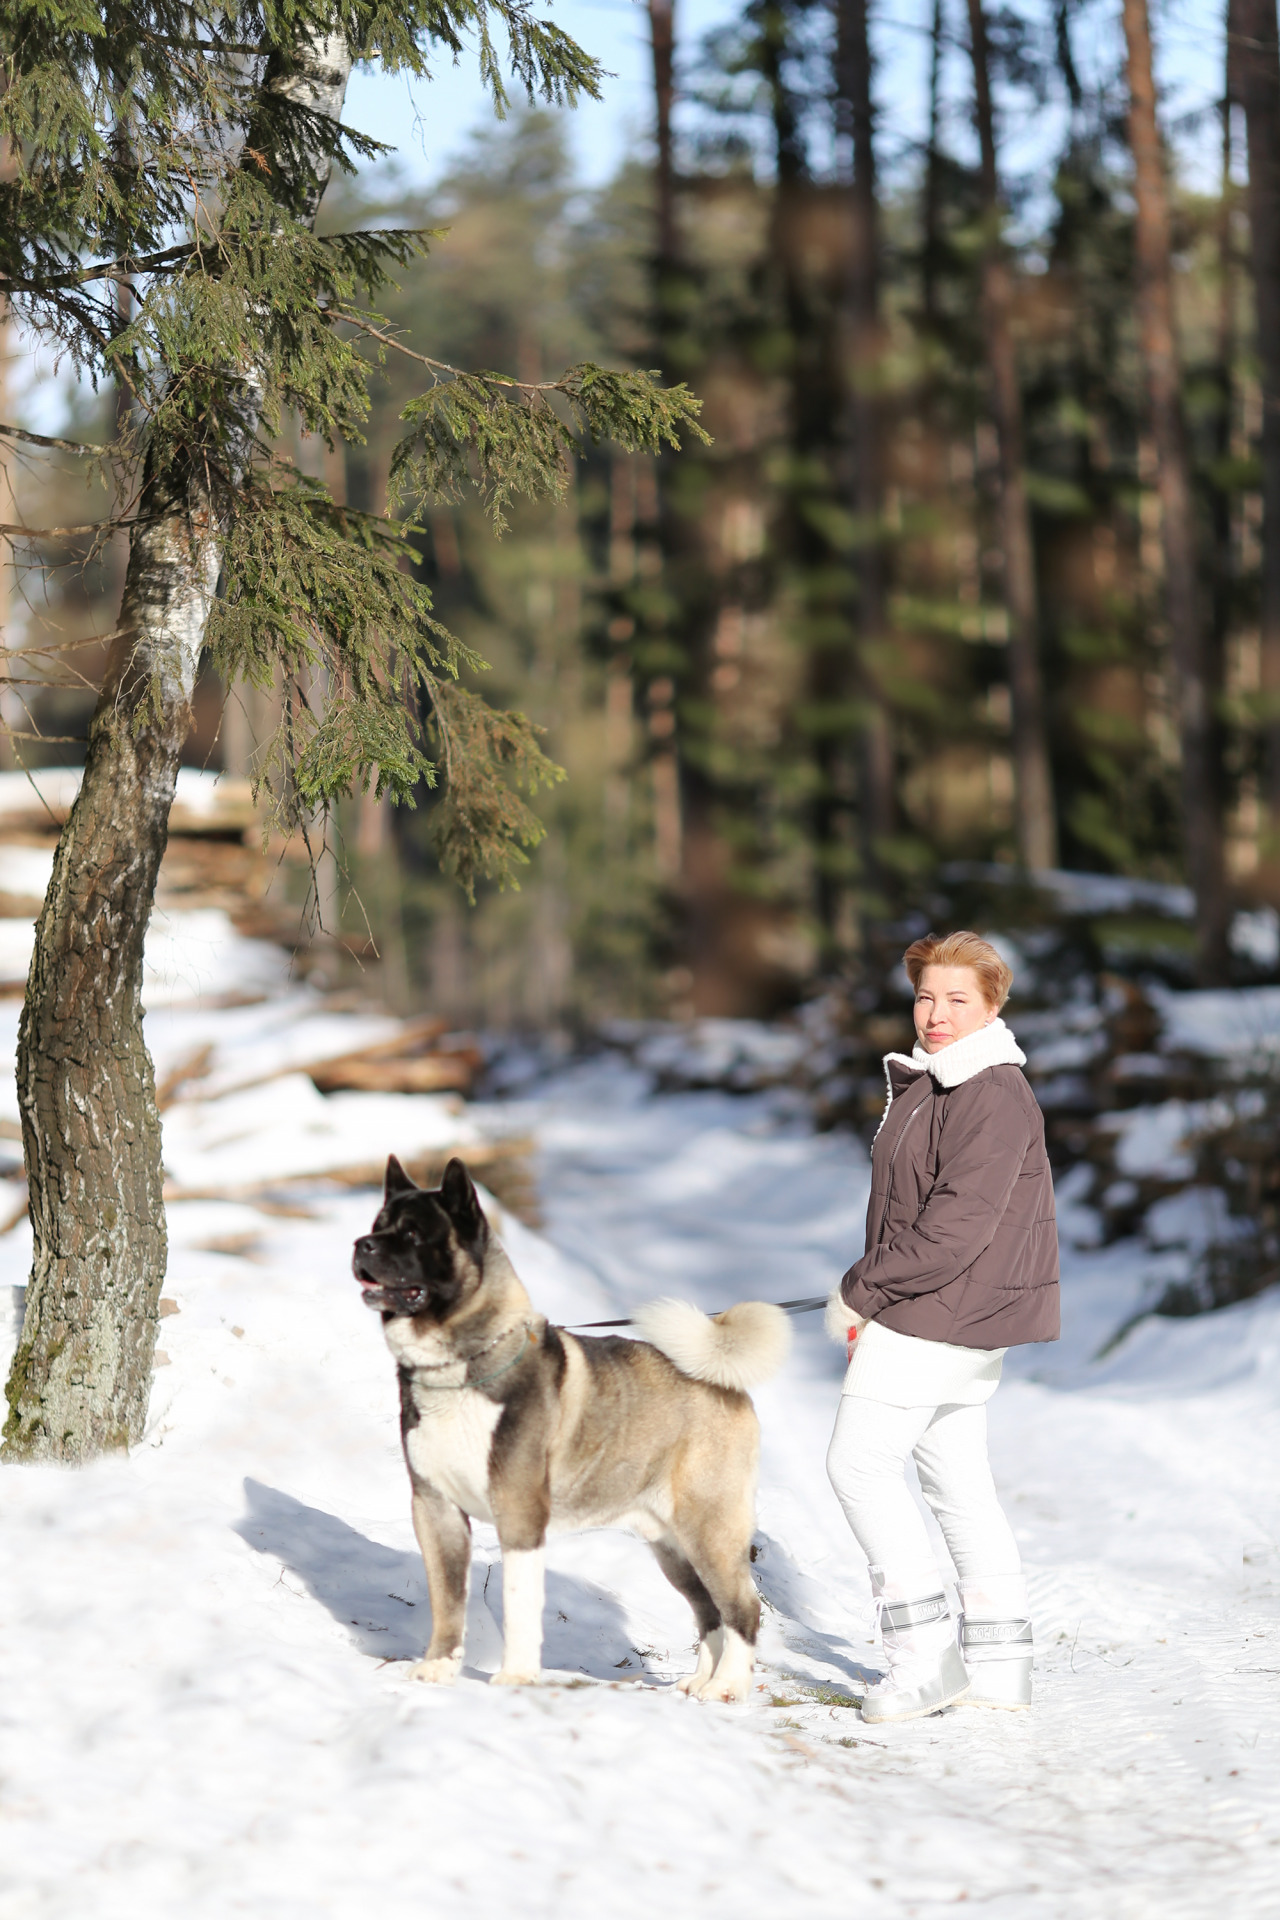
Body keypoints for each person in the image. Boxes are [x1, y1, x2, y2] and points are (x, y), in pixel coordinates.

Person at [825, 930, 1059, 1724]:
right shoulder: (940, 1083)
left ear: (993, 1005)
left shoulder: (988, 1090)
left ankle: (924, 1662)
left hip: (939, 1310)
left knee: (857, 1468)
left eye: (958, 999)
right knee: (956, 1481)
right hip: (952, 1309)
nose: (936, 1013)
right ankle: (999, 1665)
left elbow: (955, 1230)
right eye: (927, 995)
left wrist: (863, 1290)